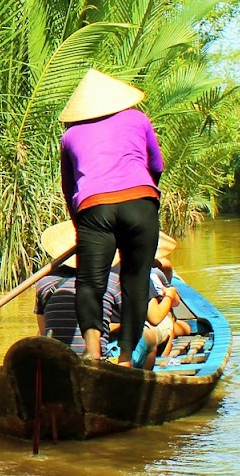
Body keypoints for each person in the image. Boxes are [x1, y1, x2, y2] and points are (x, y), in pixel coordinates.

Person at [58, 69, 164, 365]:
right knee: (135, 280)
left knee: (90, 284)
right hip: (141, 202)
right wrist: (148, 199)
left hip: (94, 207)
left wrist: (82, 227)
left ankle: (93, 357)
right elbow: (156, 166)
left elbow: (70, 190)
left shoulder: (69, 136)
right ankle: (127, 359)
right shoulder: (139, 119)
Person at [34, 223, 122, 354]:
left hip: (54, 358)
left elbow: (43, 330)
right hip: (94, 360)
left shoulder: (44, 281)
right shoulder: (112, 280)